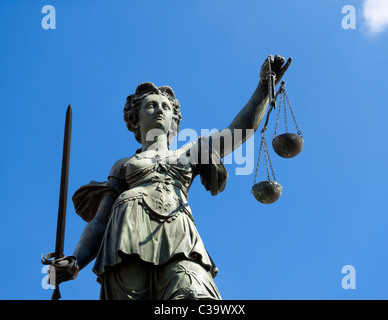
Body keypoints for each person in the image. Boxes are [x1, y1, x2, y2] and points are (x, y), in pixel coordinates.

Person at [44, 55, 291, 300]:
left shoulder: (192, 152)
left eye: (165, 107)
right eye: (150, 105)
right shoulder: (124, 165)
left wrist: (262, 88)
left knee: (196, 297)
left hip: (180, 235)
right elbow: (99, 221)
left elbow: (238, 131)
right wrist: (76, 260)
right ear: (135, 118)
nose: (159, 110)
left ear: (174, 118)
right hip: (126, 236)